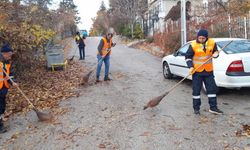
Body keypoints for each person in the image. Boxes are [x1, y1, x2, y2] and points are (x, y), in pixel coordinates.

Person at [185, 29, 223, 115]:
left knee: (211, 90)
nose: (201, 39)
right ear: (197, 37)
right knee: (196, 91)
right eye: (200, 38)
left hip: (208, 71)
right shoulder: (193, 45)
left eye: (203, 38)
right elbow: (187, 57)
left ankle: (213, 108)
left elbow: (215, 52)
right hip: (197, 71)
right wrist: (190, 66)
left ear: (206, 37)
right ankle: (196, 108)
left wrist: (216, 54)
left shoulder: (212, 43)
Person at [0, 44, 17, 133]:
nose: (10, 56)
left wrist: (12, 82)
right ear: (4, 53)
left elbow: (9, 74)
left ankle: (1, 121)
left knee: (2, 107)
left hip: (3, 88)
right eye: (9, 54)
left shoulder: (7, 63)